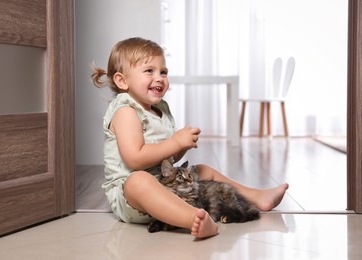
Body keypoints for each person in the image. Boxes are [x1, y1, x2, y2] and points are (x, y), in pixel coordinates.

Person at [91, 37, 289, 239]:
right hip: (130, 195)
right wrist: (175, 142)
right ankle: (193, 218)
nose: (159, 77)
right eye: (149, 71)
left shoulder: (161, 110)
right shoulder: (125, 110)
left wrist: (181, 147)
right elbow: (134, 158)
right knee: (138, 180)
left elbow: (166, 160)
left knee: (203, 170)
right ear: (122, 80)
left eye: (163, 72)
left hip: (165, 183)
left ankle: (254, 197)